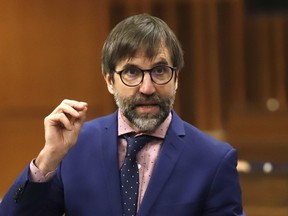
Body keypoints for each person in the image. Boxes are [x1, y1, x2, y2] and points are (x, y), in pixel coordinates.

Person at [0, 14, 244, 216]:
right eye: (131, 72)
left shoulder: (213, 159)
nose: (147, 88)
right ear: (109, 80)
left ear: (176, 78)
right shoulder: (73, 147)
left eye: (159, 71)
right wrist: (47, 159)